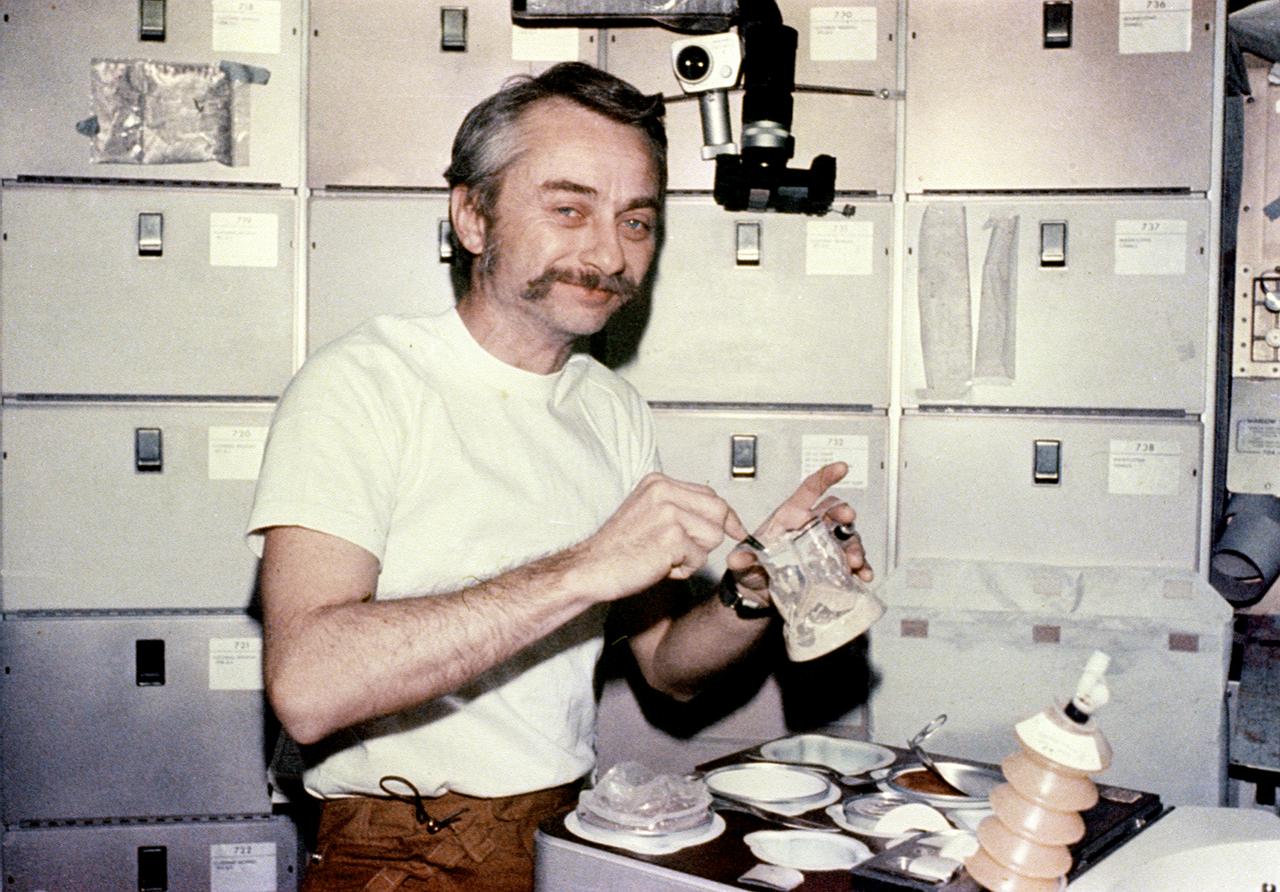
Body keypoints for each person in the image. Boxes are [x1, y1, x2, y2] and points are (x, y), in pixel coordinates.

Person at [247, 61, 871, 891]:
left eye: (637, 222)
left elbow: (667, 669)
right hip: (403, 849)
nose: (609, 252)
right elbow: (308, 685)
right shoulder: (362, 385)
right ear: (473, 216)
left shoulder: (609, 409)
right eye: (570, 208)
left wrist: (752, 592)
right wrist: (583, 570)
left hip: (566, 830)